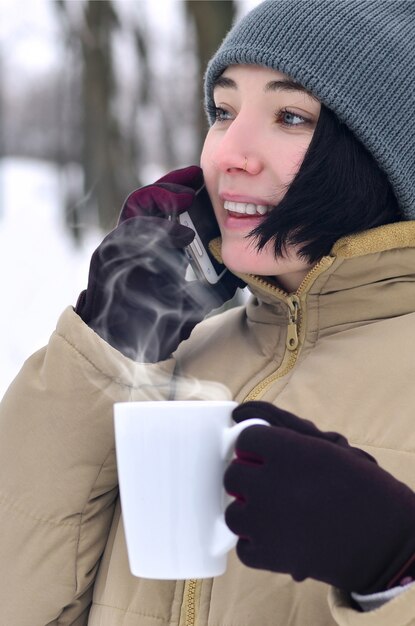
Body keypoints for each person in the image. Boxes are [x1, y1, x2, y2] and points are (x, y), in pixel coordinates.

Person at [1, 0, 415, 624]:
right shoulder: (170, 359)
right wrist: (105, 350)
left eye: (290, 116)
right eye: (224, 111)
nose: (229, 155)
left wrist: (397, 566)